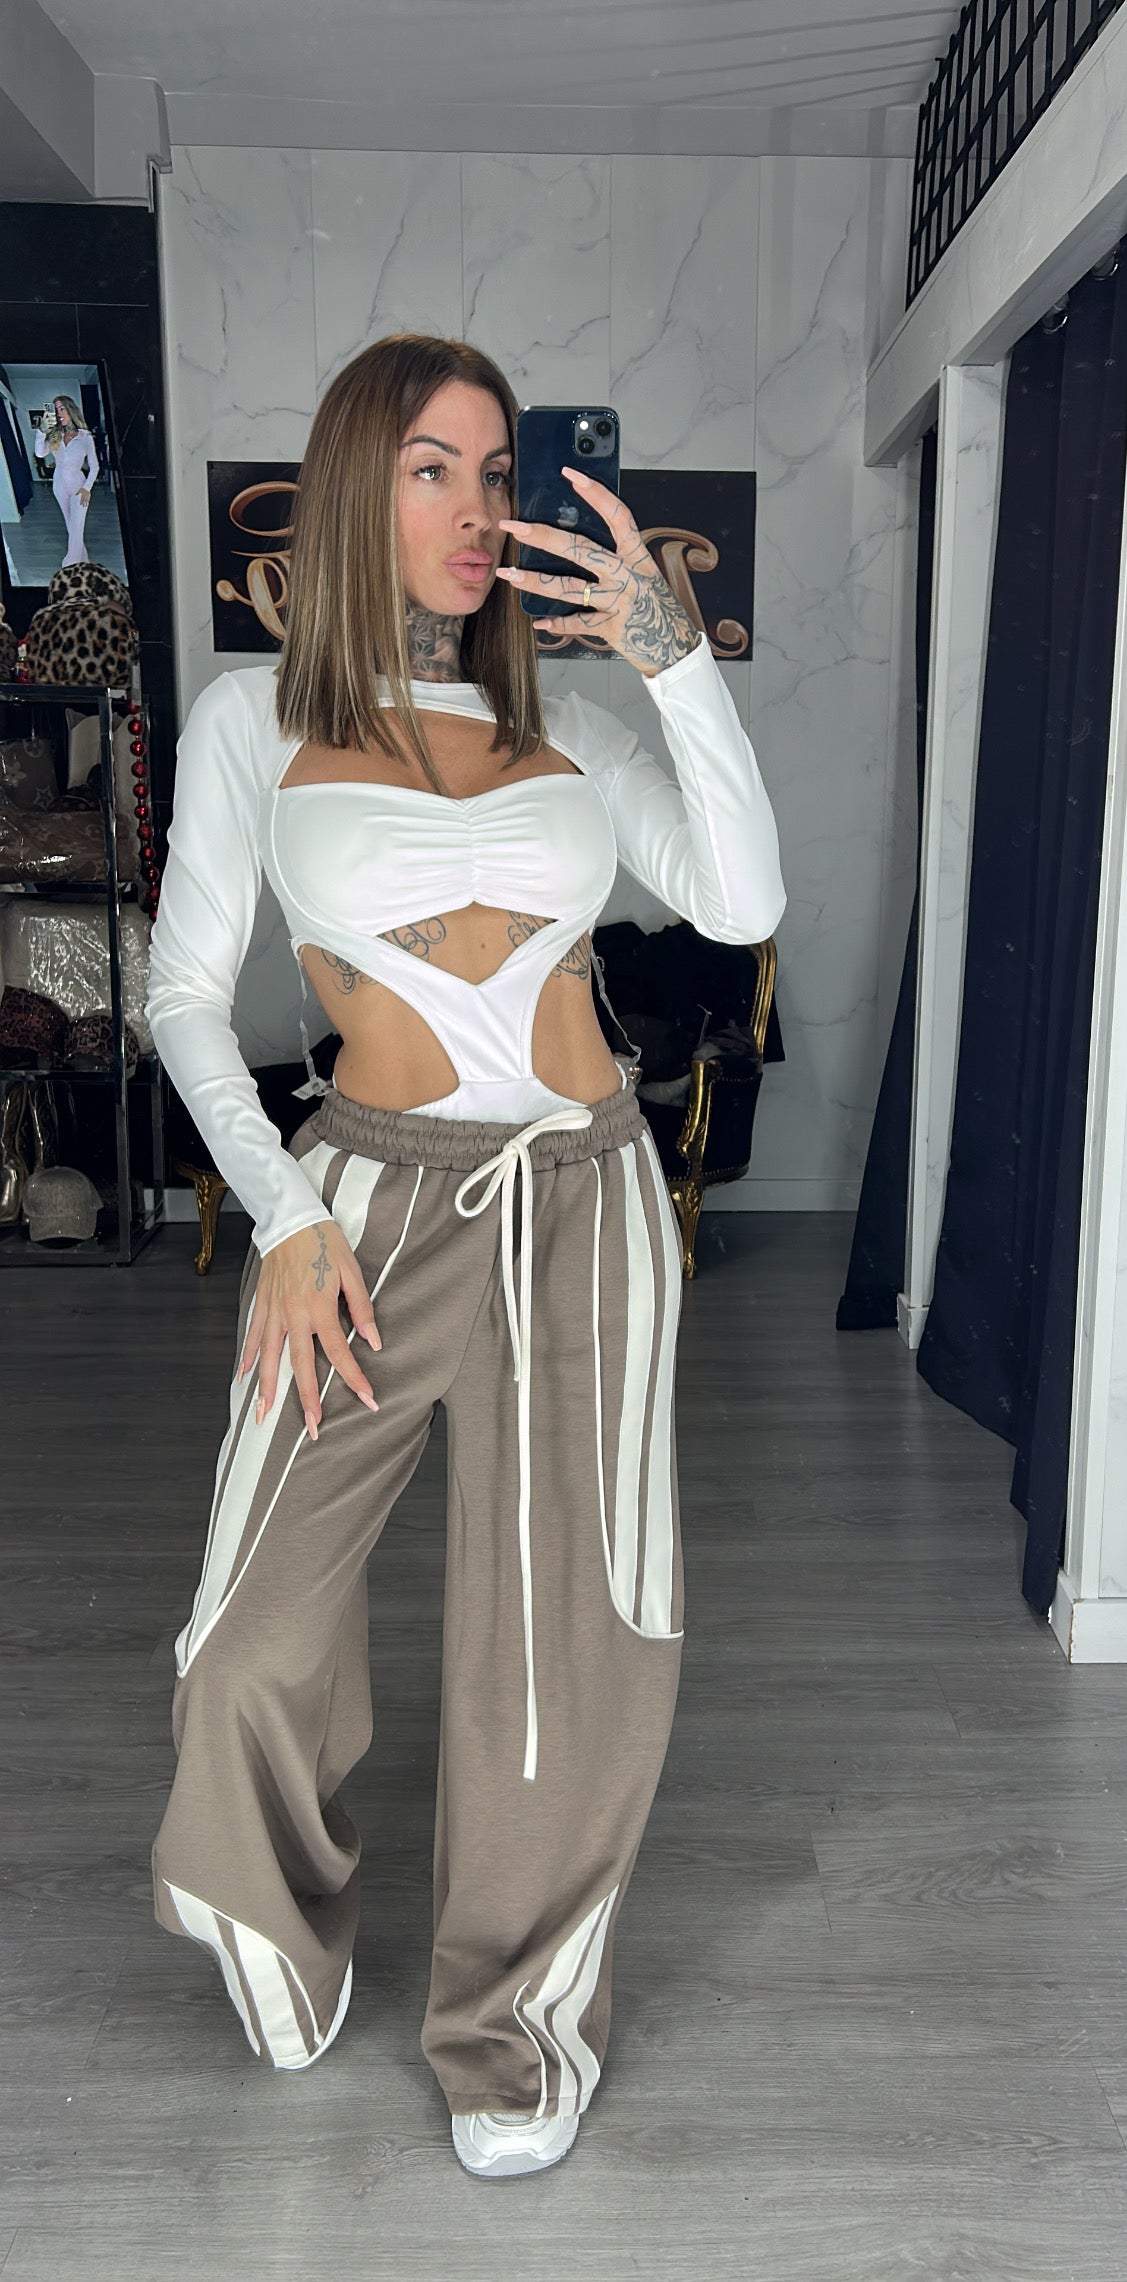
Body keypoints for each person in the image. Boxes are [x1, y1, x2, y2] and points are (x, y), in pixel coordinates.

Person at [145, 334, 786, 2179]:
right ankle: (276, 1909)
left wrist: (668, 655)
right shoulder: (251, 718)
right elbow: (184, 995)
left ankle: (511, 2018)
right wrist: (281, 1217)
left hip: (583, 1199)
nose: (476, 507)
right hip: (357, 1205)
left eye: (496, 472)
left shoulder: (570, 723)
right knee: (247, 1624)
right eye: (434, 467)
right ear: (359, 483)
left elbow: (741, 899)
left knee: (570, 1630)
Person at [34, 394, 98, 566]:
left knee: (77, 529)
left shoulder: (85, 437)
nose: (59, 413)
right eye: (56, 410)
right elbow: (40, 453)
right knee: (72, 528)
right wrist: (41, 431)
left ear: (71, 410)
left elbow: (95, 466)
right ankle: (84, 562)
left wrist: (87, 487)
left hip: (79, 486)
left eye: (62, 409)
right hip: (59, 486)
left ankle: (69, 565)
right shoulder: (55, 435)